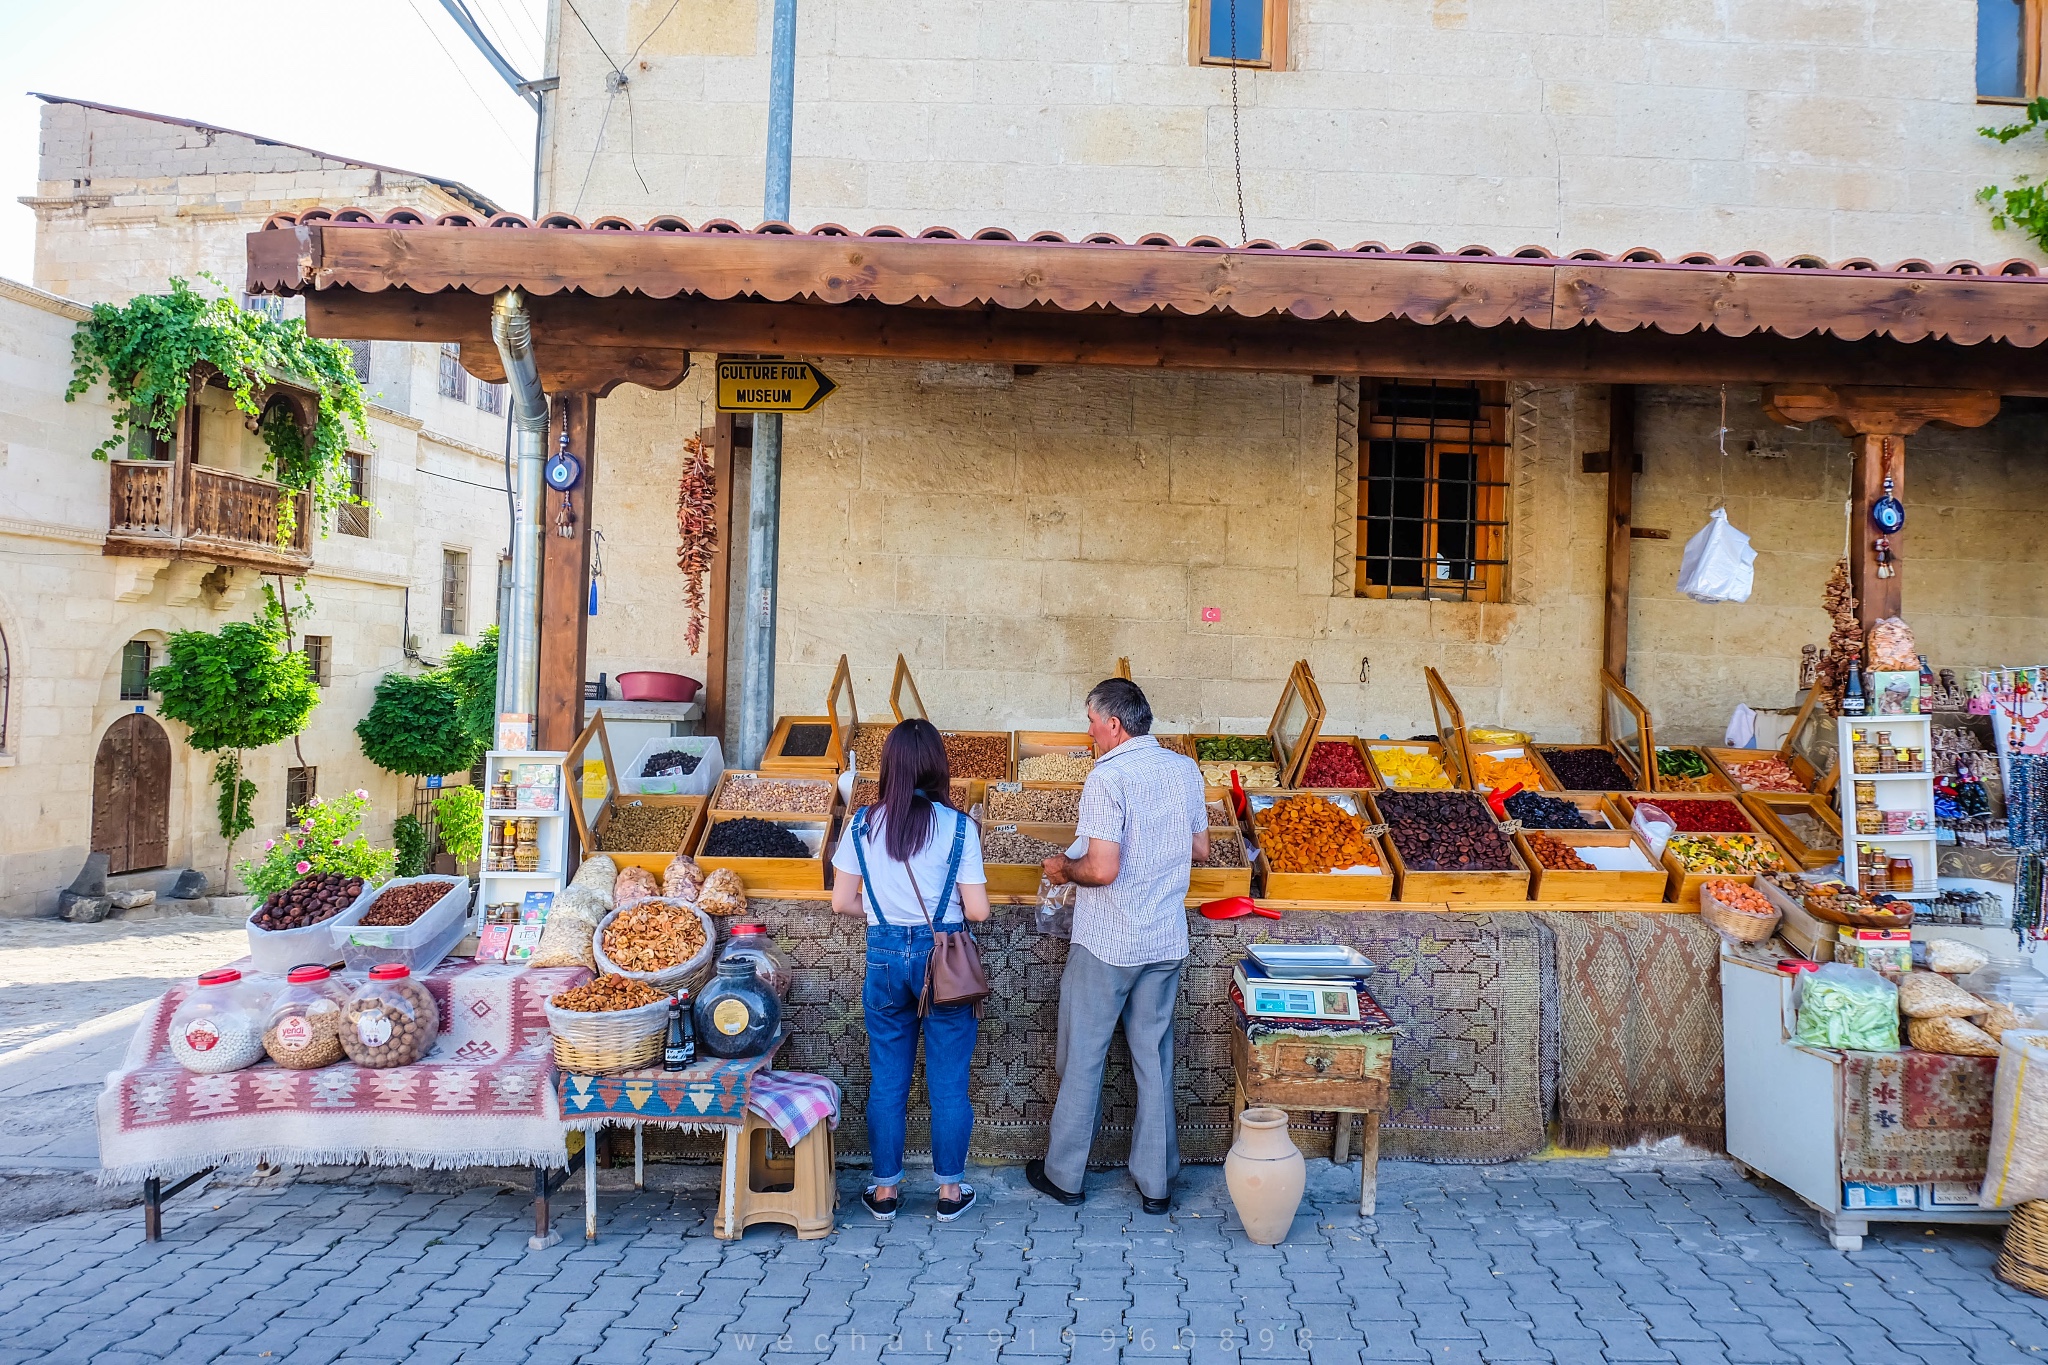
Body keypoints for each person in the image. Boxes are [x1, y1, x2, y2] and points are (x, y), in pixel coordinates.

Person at [1028, 678, 1207, 1214]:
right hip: (1164, 938)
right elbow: (1198, 848)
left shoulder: (1108, 777)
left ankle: (1065, 1176)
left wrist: (1063, 867)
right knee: (1153, 1058)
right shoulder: (1184, 769)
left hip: (1109, 940)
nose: (1087, 732)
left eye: (1089, 720)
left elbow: (1102, 870)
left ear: (1113, 724)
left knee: (1083, 1054)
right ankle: (1156, 1184)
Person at [830, 719, 990, 1222]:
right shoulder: (958, 826)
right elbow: (979, 911)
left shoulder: (861, 823)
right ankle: (948, 1194)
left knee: (888, 1079)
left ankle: (884, 1192)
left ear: (889, 767)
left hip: (882, 958)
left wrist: (883, 916)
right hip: (942, 961)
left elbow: (842, 901)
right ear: (938, 766)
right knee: (947, 1081)